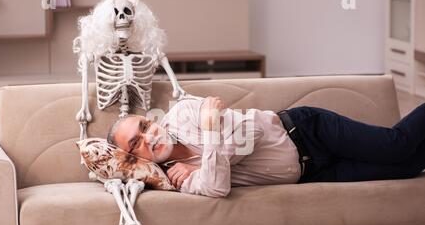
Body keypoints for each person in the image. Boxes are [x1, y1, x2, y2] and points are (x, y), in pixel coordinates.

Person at [107, 96, 425, 198]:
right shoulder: (174, 176)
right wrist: (211, 141)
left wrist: (205, 159)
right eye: (137, 142)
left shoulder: (184, 112)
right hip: (313, 172)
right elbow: (218, 188)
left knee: (397, 146)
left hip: (309, 130)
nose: (150, 137)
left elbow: (251, 130)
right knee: (409, 167)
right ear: (135, 157)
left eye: (145, 126)